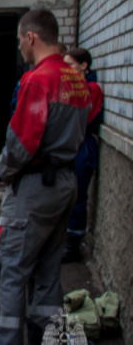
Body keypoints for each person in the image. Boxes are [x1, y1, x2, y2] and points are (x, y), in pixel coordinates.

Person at [0, 9, 90, 345]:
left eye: (20, 40)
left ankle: (7, 340)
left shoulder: (37, 79)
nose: (20, 47)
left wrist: (2, 170)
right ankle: (47, 339)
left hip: (35, 187)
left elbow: (21, 142)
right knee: (48, 272)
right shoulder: (76, 79)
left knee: (12, 271)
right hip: (65, 182)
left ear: (30, 37)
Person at [62, 48, 103, 263]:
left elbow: (81, 119)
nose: (66, 69)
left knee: (78, 196)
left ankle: (73, 245)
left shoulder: (92, 89)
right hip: (71, 145)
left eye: (70, 64)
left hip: (83, 146)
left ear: (84, 66)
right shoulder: (73, 87)